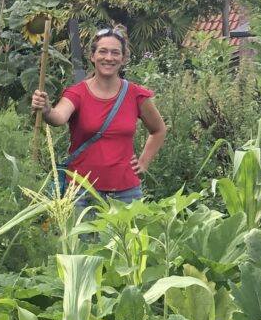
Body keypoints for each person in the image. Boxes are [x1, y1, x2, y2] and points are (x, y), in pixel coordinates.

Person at [30, 27, 166, 204]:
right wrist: (47, 110)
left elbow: (158, 130)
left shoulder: (136, 95)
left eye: (115, 53)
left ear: (123, 58)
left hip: (126, 193)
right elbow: (58, 117)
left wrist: (144, 162)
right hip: (81, 192)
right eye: (102, 51)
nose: (108, 58)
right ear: (92, 56)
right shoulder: (77, 93)